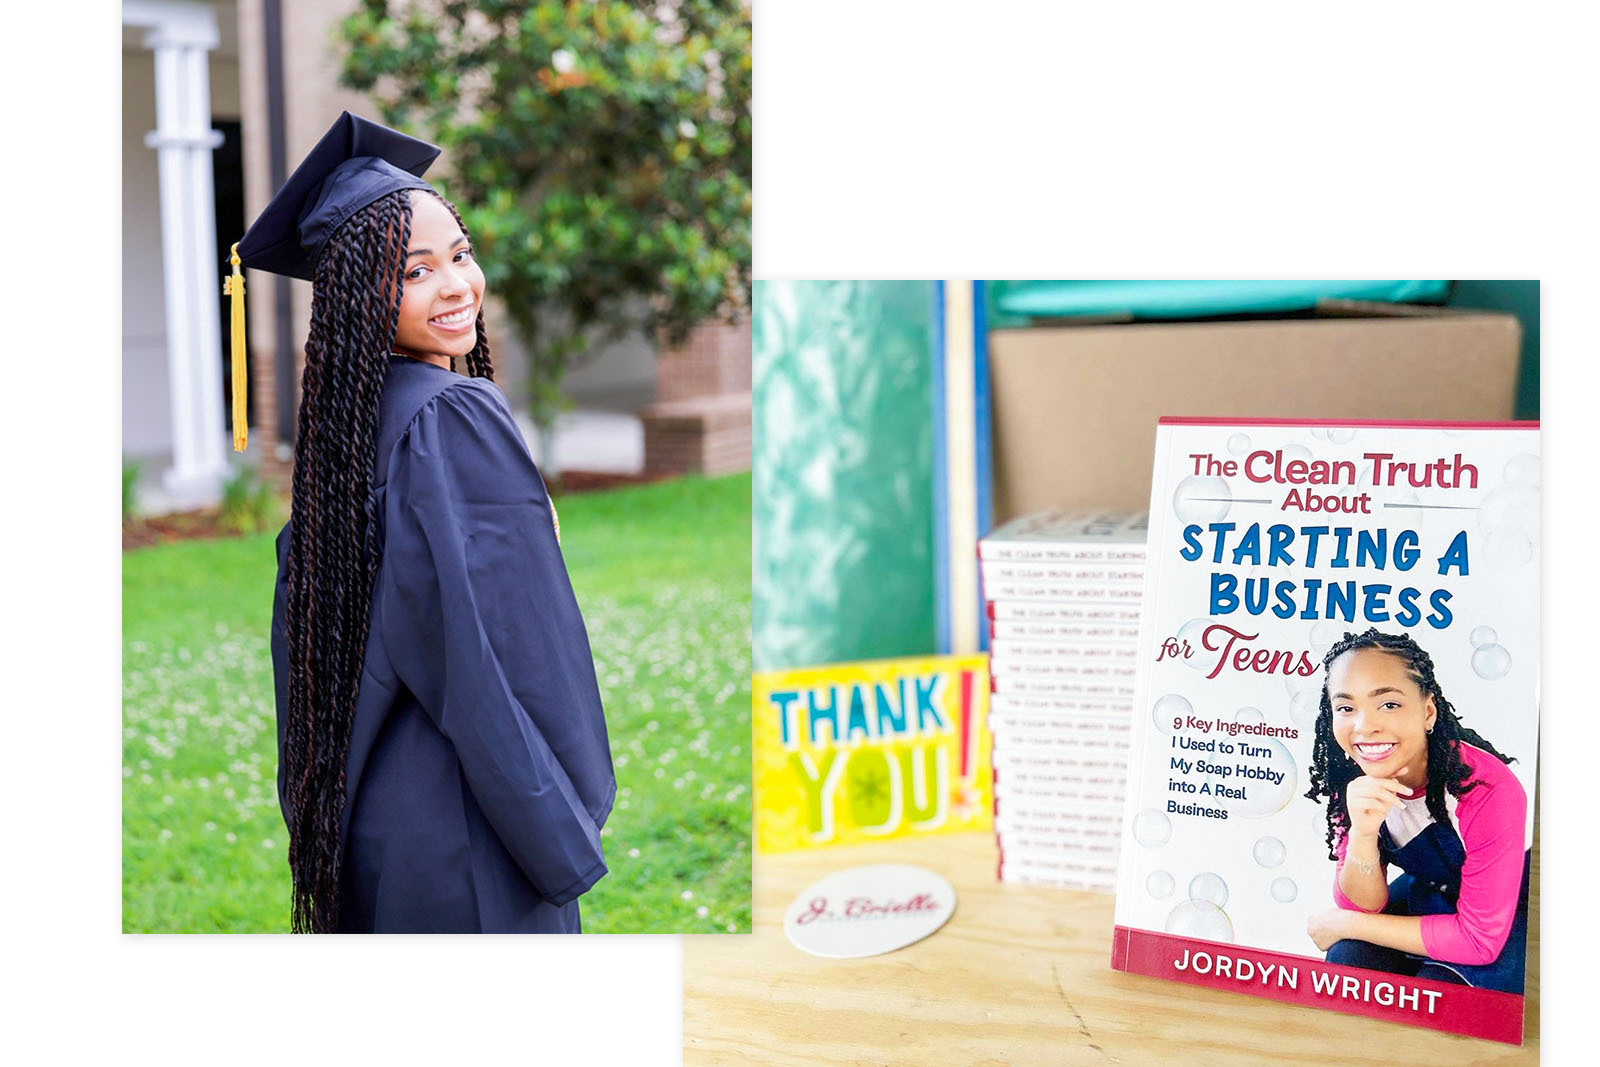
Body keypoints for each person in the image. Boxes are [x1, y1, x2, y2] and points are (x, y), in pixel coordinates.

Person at [237, 112, 615, 933]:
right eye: (414, 271)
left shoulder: (343, 432)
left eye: (461, 253)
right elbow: (506, 655)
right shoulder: (454, 415)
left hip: (373, 826)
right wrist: (565, 811)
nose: (457, 285)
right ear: (354, 293)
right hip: (472, 827)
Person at [1302, 629, 1529, 992]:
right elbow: (1361, 904)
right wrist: (1362, 834)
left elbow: (1479, 941)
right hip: (1430, 892)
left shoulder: (1486, 789)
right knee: (1348, 960)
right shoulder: (1352, 777)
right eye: (1346, 707)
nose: (1365, 727)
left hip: (1502, 908)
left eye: (1388, 704)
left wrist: (1347, 925)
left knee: (1438, 992)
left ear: (1427, 711)